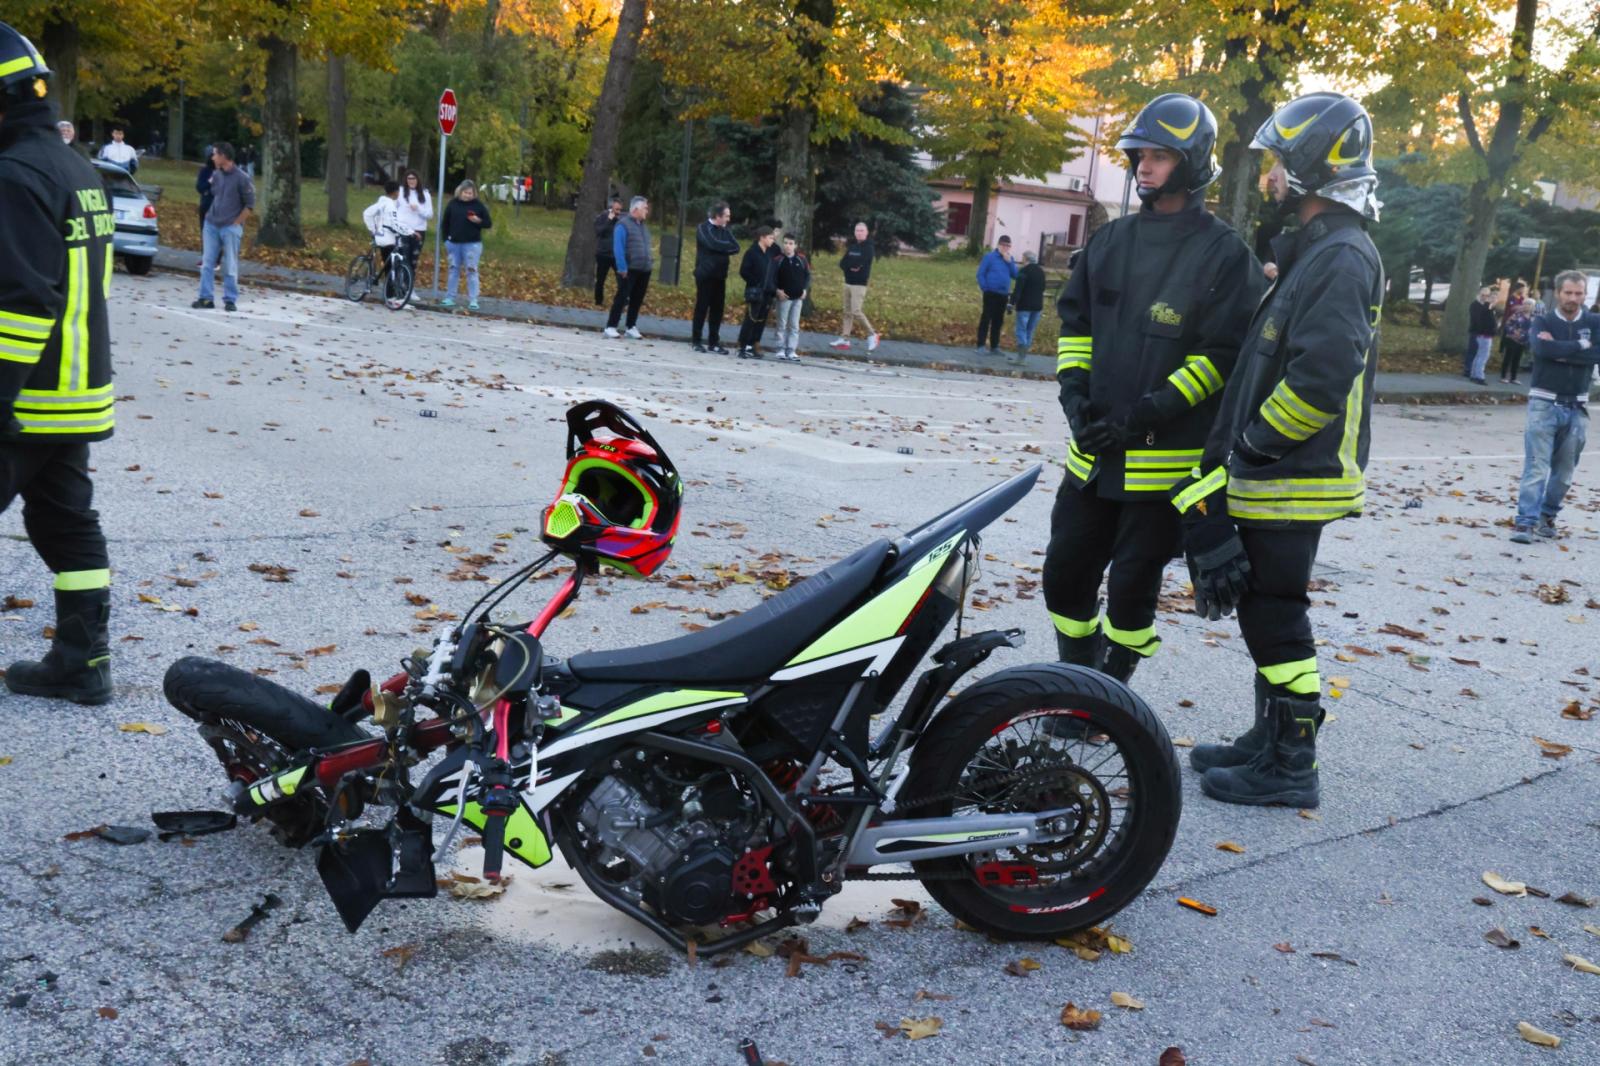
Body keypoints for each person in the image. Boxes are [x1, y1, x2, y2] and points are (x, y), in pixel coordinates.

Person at [1171, 91, 1384, 810]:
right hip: (1281, 470)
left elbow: (1320, 380)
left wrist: (1249, 452)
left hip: (1294, 474)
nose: (1266, 175)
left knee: (1275, 612)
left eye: (1275, 162)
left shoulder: (1342, 255)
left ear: (1310, 167)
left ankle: (1293, 763)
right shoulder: (1318, 250)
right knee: (1264, 609)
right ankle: (1269, 740)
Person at [1044, 92, 1262, 695]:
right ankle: (1079, 674)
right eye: (1140, 155)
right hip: (1092, 458)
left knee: (1131, 590)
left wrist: (1149, 411)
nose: (1143, 166)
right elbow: (1077, 328)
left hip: (1161, 468)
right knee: (1064, 575)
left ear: (1191, 164)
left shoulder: (1225, 255)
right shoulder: (1110, 241)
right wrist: (1074, 397)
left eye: (1159, 156)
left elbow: (1222, 356)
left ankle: (1109, 694)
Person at [0, 23, 118, 705]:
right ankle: (82, 661)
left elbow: (21, 302)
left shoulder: (14, 175)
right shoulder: (78, 168)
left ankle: (80, 663)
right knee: (66, 525)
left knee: (65, 525)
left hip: (23, 398)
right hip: (74, 395)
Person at [1508, 270, 1599, 544]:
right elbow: (1541, 350)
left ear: (1585, 295)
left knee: (1564, 473)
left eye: (1578, 293)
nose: (1573, 298)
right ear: (1558, 293)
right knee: (1536, 467)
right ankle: (1525, 521)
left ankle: (1547, 515)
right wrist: (1581, 346)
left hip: (1577, 405)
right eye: (1568, 292)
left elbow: (1596, 354)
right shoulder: (1543, 320)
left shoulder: (1594, 322)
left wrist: (1561, 350)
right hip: (1544, 403)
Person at [192, 142, 254, 313]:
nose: (212, 157)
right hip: (211, 224)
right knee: (207, 262)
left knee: (230, 264)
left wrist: (236, 223)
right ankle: (205, 298)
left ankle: (230, 299)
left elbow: (249, 205)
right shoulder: (217, 175)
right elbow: (213, 194)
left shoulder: (242, 178)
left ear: (224, 156)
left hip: (230, 227)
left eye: (215, 154)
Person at [691, 200, 740, 353]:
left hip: (720, 275)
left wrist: (721, 247)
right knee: (702, 307)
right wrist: (724, 247)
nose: (728, 219)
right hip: (705, 274)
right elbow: (711, 243)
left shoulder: (725, 231)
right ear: (718, 216)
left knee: (717, 309)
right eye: (726, 216)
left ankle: (714, 342)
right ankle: (696, 341)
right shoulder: (703, 228)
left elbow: (736, 247)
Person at [604, 195, 652, 339]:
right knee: (622, 297)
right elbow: (618, 247)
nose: (647, 211)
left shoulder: (643, 226)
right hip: (629, 268)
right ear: (636, 209)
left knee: (637, 299)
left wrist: (649, 262)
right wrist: (622, 267)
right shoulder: (623, 225)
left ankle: (631, 326)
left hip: (644, 268)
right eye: (645, 208)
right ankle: (611, 326)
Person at [440, 178, 491, 311]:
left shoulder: (478, 205)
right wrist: (446, 240)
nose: (468, 195)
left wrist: (477, 220)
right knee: (453, 270)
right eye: (466, 193)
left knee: (471, 270)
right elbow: (445, 223)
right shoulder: (453, 204)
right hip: (454, 243)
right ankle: (450, 297)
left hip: (472, 244)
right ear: (460, 192)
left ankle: (473, 299)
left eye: (470, 193)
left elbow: (488, 223)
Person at [830, 221, 880, 352]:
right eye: (857, 230)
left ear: (866, 232)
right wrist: (851, 266)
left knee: (856, 311)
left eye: (862, 230)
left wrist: (852, 265)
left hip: (859, 284)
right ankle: (845, 339)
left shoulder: (869, 248)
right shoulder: (853, 247)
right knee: (847, 312)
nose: (859, 233)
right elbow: (843, 263)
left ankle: (872, 334)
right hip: (848, 283)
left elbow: (860, 263)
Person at [362, 180, 413, 292]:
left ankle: (389, 290)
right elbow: (394, 224)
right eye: (398, 191)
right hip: (388, 239)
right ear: (395, 192)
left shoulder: (381, 203)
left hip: (380, 237)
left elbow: (367, 213)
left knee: (388, 262)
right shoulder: (390, 205)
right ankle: (389, 293)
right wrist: (410, 232)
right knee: (391, 265)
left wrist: (372, 229)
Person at [735, 226, 778, 358]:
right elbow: (744, 271)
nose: (772, 240)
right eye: (770, 238)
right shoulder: (752, 252)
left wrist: (772, 287)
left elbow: (777, 255)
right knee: (751, 319)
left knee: (760, 320)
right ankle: (742, 346)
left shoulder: (770, 253)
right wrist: (755, 282)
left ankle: (751, 345)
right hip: (755, 291)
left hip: (767, 292)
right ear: (762, 237)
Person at [976, 235, 1018, 356]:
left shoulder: (1010, 259)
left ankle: (994, 346)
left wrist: (1009, 263)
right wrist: (985, 288)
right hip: (990, 292)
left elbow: (1015, 275)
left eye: (1008, 246)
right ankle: (980, 345)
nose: (1006, 248)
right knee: (986, 318)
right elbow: (980, 274)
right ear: (999, 245)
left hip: (1003, 294)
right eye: (1004, 245)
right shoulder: (989, 257)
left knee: (998, 320)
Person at [772, 234, 810, 363]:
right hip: (784, 298)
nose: (788, 246)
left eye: (791, 243)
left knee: (794, 325)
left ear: (795, 245)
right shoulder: (778, 260)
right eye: (786, 243)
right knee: (781, 324)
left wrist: (804, 289)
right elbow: (772, 277)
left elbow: (807, 276)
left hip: (797, 298)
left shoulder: (802, 259)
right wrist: (777, 291)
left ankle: (791, 350)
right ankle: (780, 349)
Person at [1010, 250, 1046, 365]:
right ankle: (1023, 357)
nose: (1022, 260)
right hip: (1037, 306)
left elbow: (1018, 290)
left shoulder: (1024, 271)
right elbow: (1043, 288)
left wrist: (1011, 303)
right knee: (1030, 331)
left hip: (1024, 306)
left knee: (1021, 330)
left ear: (1025, 259)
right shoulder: (1041, 272)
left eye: (1023, 258)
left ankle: (1020, 358)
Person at [396, 168, 431, 280]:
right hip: (403, 229)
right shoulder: (401, 192)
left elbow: (429, 214)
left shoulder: (425, 194)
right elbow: (394, 208)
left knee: (413, 260)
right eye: (409, 179)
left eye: (414, 178)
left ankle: (409, 285)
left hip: (419, 230)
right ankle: (398, 283)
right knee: (402, 257)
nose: (411, 181)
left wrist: (418, 209)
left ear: (418, 180)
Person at [1498, 280, 1532, 384]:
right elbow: (1508, 323)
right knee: (1508, 357)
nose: (1527, 306)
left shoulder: (1531, 317)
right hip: (1512, 338)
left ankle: (1513, 377)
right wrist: (1514, 332)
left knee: (1517, 359)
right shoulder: (1513, 301)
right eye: (1526, 304)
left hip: (1522, 341)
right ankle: (1503, 376)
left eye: (1529, 305)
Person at [593, 195, 622, 306]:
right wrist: (608, 220)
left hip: (616, 255)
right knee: (600, 279)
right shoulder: (603, 217)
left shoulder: (620, 220)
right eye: (616, 209)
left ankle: (623, 300)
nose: (618, 212)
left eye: (620, 209)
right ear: (611, 208)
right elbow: (598, 232)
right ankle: (598, 301)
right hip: (603, 254)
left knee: (621, 278)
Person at [1466, 285, 1497, 384]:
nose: (1485, 297)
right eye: (1483, 295)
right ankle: (1478, 375)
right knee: (1482, 355)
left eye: (1487, 295)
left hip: (1484, 333)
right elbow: (1479, 319)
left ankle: (1474, 374)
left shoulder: (1488, 307)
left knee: (1479, 354)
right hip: (1482, 333)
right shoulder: (1480, 306)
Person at [195, 146, 216, 234]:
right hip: (207, 204)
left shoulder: (224, 171)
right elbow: (200, 187)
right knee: (205, 231)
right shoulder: (205, 170)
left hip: (220, 208)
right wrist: (210, 181)